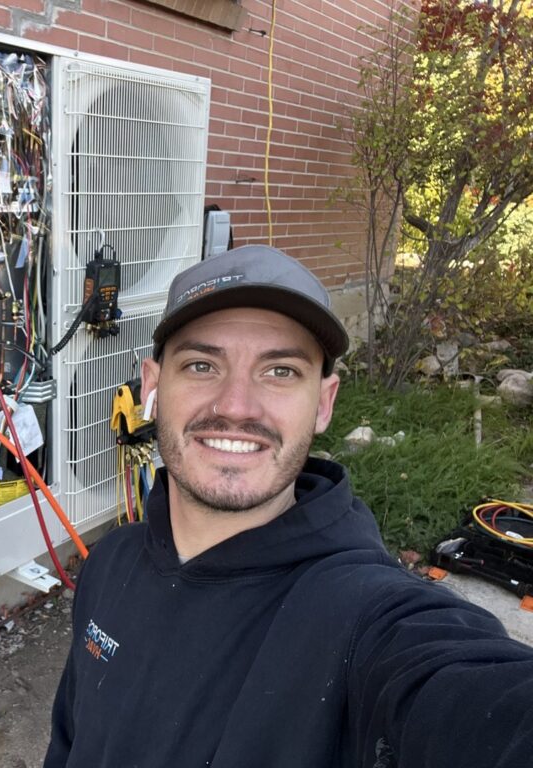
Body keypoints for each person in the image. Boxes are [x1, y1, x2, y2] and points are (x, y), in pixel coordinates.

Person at [43, 244, 533, 768]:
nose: (235, 406)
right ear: (153, 387)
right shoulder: (110, 564)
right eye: (202, 364)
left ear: (324, 403)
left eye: (280, 371)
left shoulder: (363, 617)